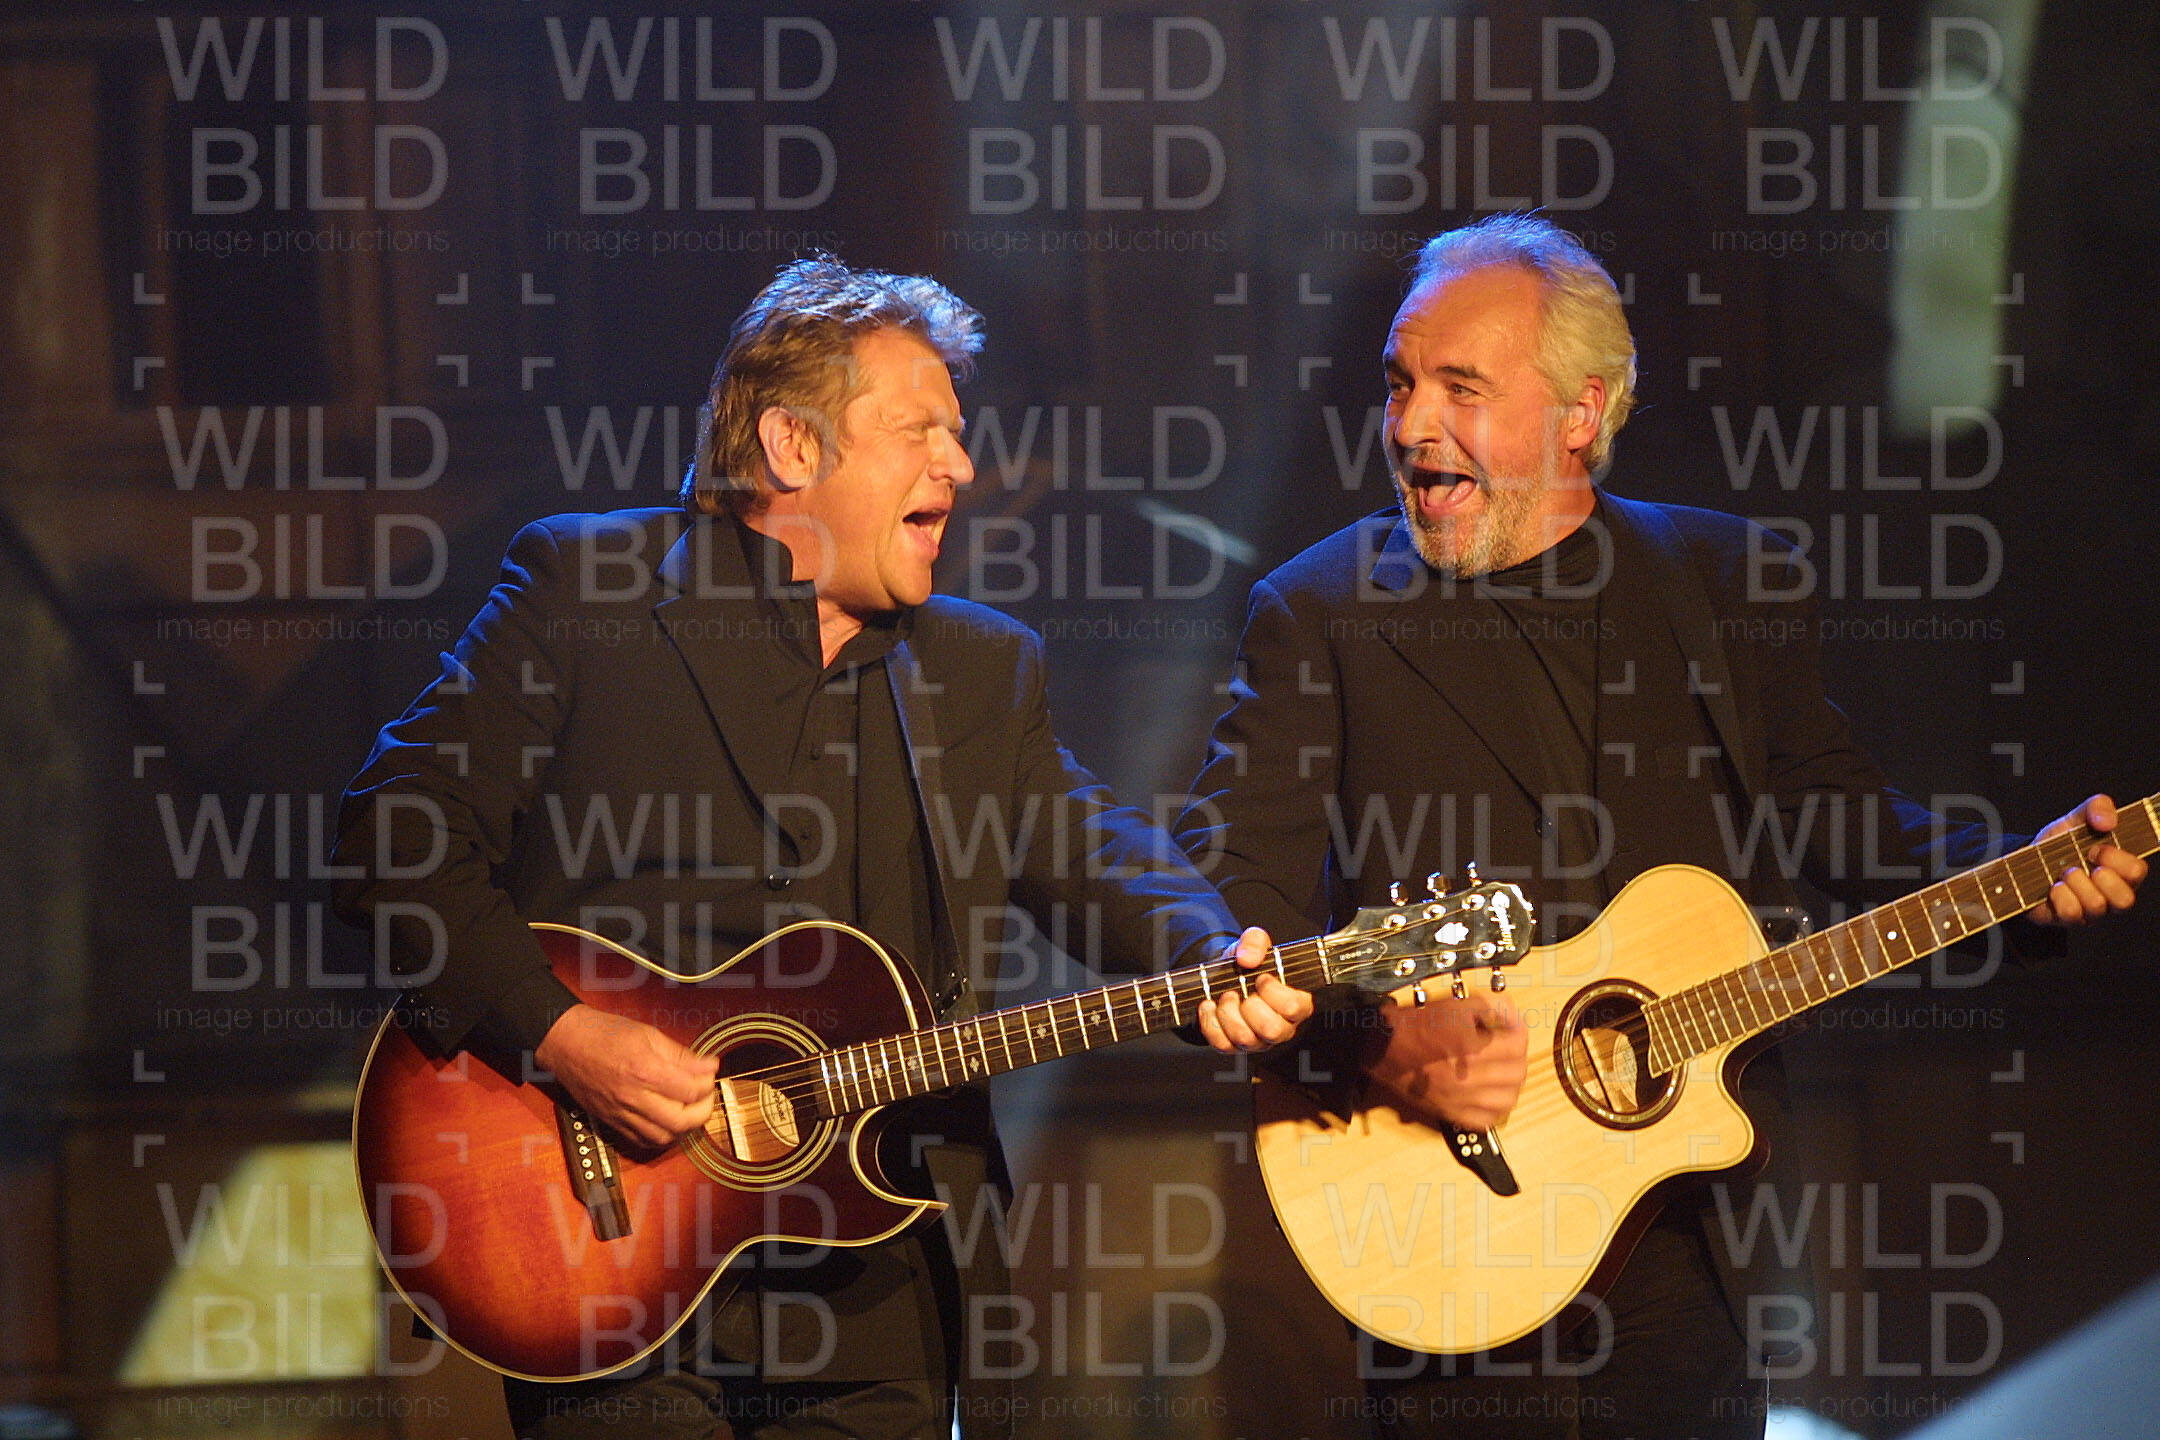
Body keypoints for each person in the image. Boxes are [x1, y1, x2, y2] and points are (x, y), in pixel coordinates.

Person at [1176, 213, 2143, 1438]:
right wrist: (1378, 1042)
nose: (1414, 425)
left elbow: (1853, 831)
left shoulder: (1728, 582)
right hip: (1456, 1234)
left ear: (1580, 413)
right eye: (1399, 383)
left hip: (1695, 1243)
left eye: (1461, 388)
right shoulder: (1320, 612)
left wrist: (2023, 876)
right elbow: (1221, 907)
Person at [334, 257, 1310, 1439]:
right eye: (920, 431)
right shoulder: (586, 592)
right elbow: (393, 834)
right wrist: (562, 1034)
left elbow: (1090, 843)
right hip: (606, 1250)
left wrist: (1210, 953)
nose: (959, 466)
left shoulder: (978, 668)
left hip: (877, 1276)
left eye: (958, 434)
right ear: (792, 448)